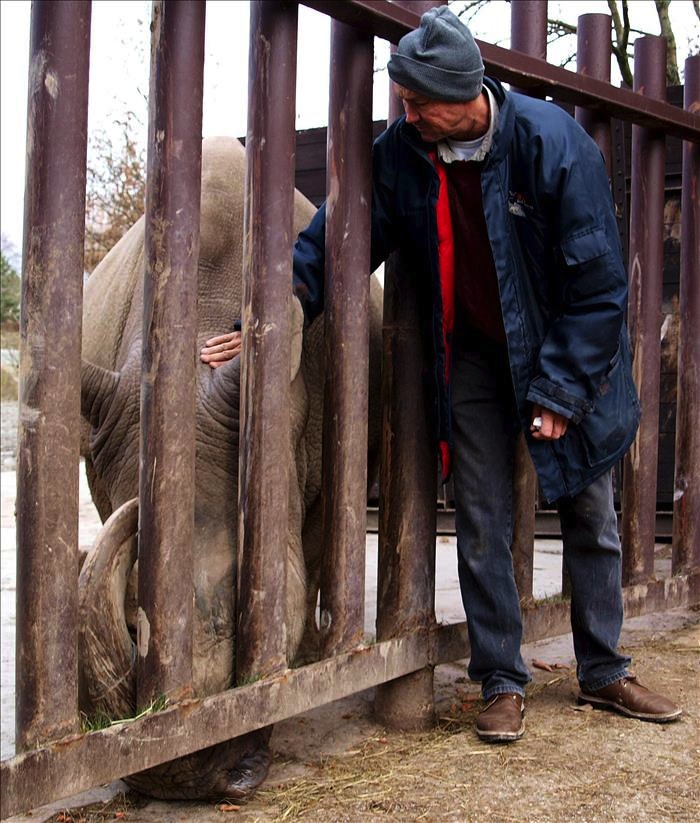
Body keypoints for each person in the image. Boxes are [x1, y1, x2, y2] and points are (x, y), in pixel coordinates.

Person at [201, 7, 681, 740]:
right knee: (483, 516)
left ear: (466, 95)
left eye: (420, 100)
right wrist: (271, 317)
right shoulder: (403, 151)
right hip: (477, 356)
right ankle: (500, 679)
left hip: (568, 353)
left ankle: (606, 669)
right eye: (402, 96)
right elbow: (336, 243)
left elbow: (600, 290)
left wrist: (560, 390)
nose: (406, 111)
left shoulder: (554, 146)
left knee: (591, 511)